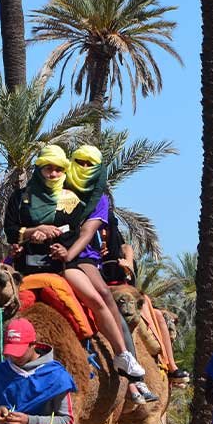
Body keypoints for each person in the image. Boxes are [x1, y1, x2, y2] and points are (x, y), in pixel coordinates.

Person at [0, 145, 146, 399]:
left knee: (101, 299)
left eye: (57, 168)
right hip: (24, 265)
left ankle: (124, 358)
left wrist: (60, 244)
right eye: (48, 168)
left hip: (65, 262)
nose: (53, 173)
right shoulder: (21, 198)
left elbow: (79, 231)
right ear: (40, 168)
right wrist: (33, 232)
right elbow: (12, 230)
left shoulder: (78, 199)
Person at [62, 145, 159, 404]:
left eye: (89, 164)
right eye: (79, 162)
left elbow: (90, 235)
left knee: (127, 306)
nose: (83, 168)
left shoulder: (100, 204)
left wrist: (126, 261)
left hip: (88, 264)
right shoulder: (56, 190)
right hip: (52, 257)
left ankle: (148, 368)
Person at [99, 212, 190, 384]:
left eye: (105, 229)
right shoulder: (92, 250)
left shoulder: (125, 249)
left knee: (156, 316)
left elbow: (131, 276)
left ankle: (170, 365)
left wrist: (127, 267)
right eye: (99, 229)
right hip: (103, 293)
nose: (103, 234)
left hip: (127, 292)